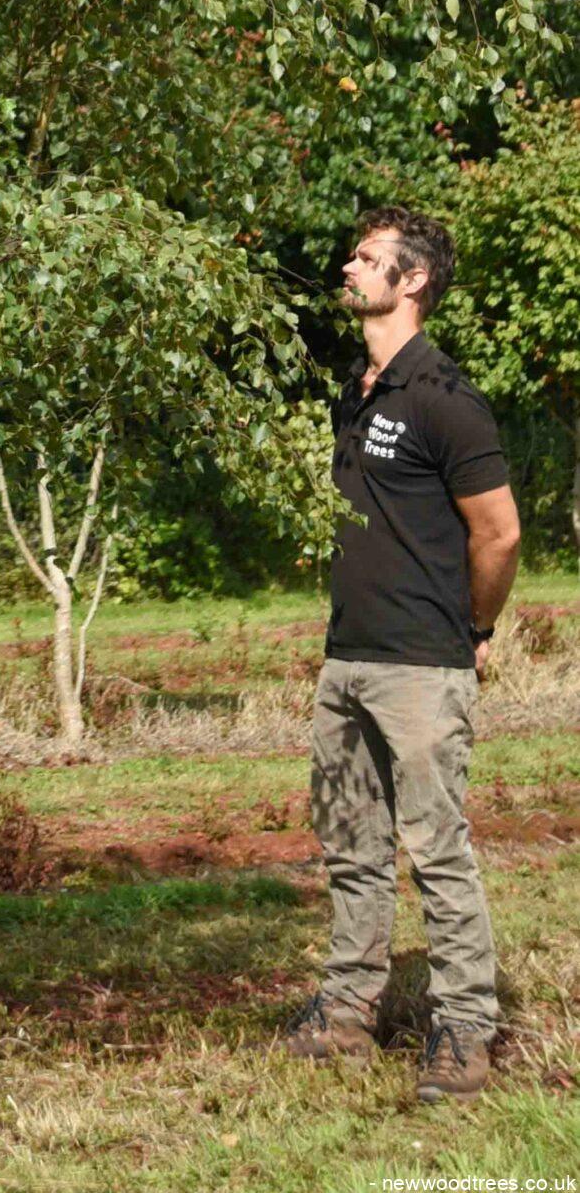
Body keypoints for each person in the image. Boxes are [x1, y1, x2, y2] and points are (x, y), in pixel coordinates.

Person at [281, 204, 520, 1105]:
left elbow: (497, 534)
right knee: (351, 843)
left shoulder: (444, 398)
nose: (347, 268)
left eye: (366, 258)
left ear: (410, 280)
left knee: (436, 849)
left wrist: (474, 632)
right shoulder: (361, 386)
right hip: (347, 659)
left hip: (423, 663)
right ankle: (347, 1010)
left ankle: (463, 1028)